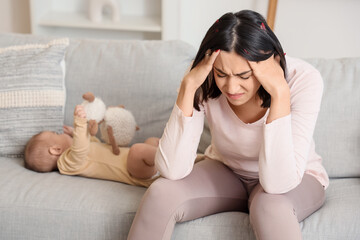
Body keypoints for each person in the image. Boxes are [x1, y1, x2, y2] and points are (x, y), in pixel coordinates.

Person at [128, 9, 329, 240]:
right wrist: (188, 88)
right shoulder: (205, 76)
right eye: (222, 74)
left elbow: (277, 183)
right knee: (161, 193)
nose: (232, 88)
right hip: (227, 171)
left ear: (272, 61)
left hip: (295, 178)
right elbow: (171, 170)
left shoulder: (303, 79)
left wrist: (280, 93)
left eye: (244, 76)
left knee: (269, 206)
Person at [24, 105, 160, 187]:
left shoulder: (77, 155)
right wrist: (79, 124)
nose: (61, 133)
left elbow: (92, 144)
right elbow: (80, 150)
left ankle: (172, 154)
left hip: (145, 165)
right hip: (135, 172)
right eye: (56, 134)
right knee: (137, 150)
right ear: (56, 150)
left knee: (150, 142)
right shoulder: (67, 163)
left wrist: (76, 133)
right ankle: (173, 158)